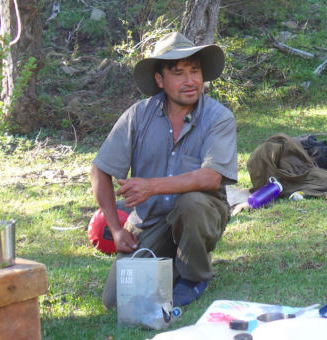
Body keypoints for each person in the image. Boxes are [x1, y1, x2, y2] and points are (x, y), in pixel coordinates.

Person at [90, 32, 237, 309]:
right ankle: (173, 266)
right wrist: (117, 229)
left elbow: (211, 177)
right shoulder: (138, 115)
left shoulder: (220, 118)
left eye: (195, 71)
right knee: (115, 301)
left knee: (190, 203)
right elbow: (99, 171)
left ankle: (195, 278)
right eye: (178, 73)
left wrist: (151, 186)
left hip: (201, 214)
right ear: (160, 80)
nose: (190, 81)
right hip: (150, 222)